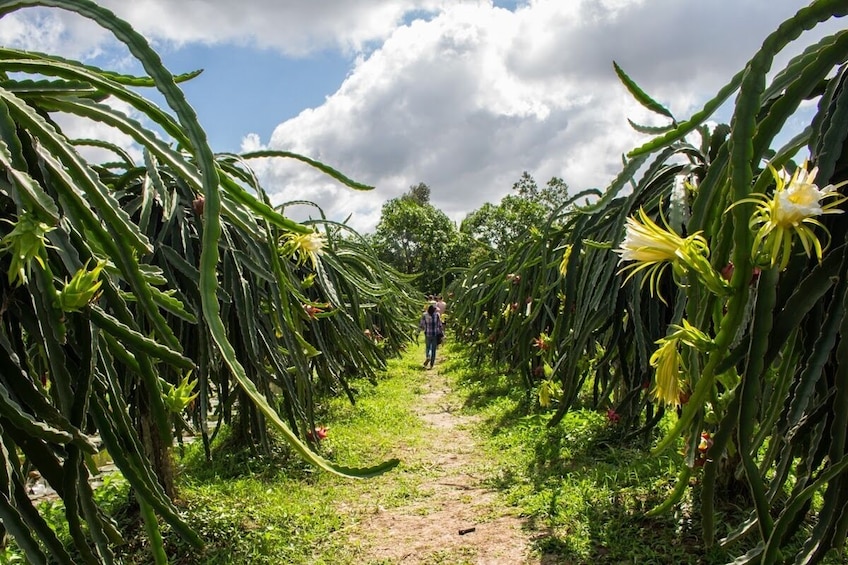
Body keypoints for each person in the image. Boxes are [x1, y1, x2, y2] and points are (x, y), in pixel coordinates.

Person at [419, 304, 443, 369]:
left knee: (428, 347)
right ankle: (431, 365)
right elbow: (439, 325)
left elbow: (422, 324)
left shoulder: (424, 315)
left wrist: (419, 331)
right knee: (434, 349)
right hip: (435, 334)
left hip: (427, 334)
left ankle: (428, 357)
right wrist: (442, 333)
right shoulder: (437, 315)